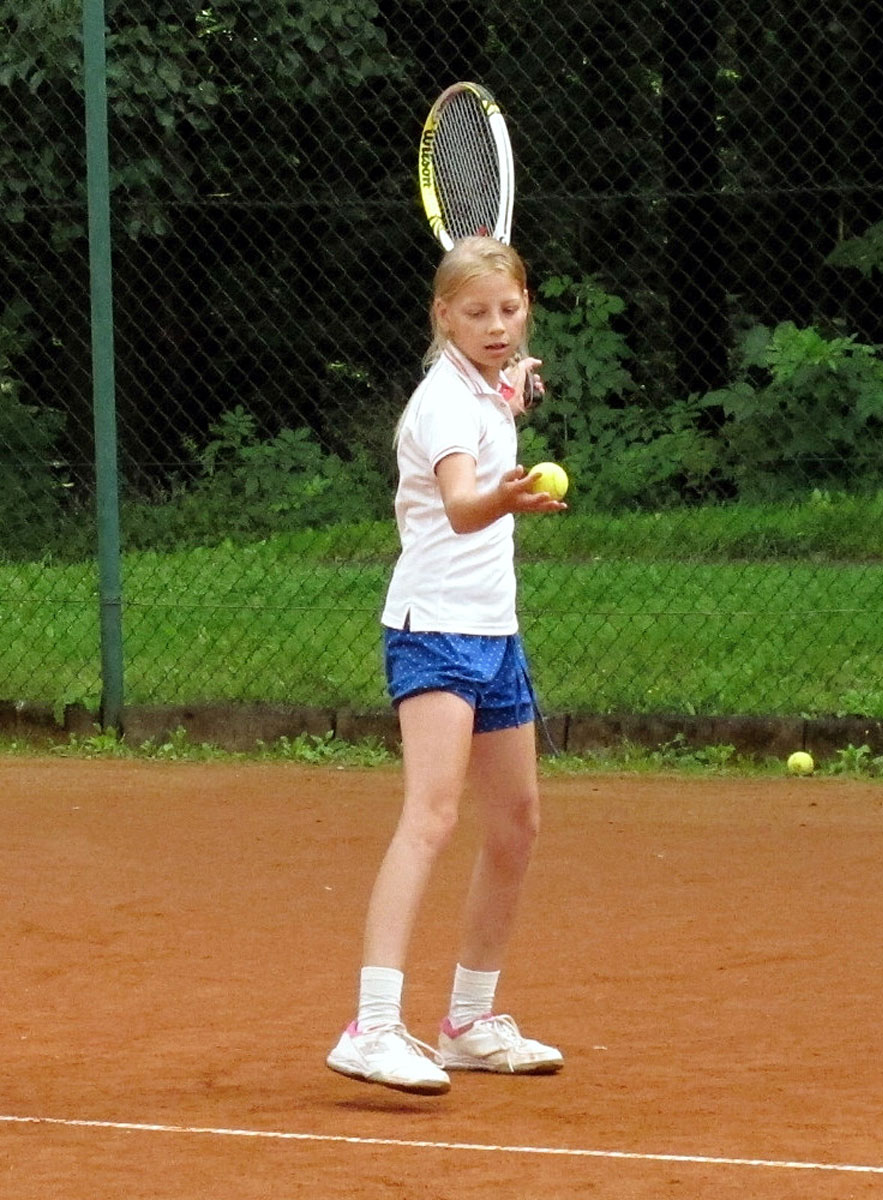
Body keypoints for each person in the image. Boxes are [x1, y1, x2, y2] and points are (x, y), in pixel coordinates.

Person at [326, 237, 566, 1095]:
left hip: (494, 634)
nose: (497, 326)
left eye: (509, 309)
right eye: (476, 313)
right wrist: (509, 494)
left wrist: (512, 393)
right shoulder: (441, 402)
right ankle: (371, 1028)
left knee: (517, 823)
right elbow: (464, 505)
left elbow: (495, 404)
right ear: (442, 316)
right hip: (433, 631)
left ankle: (467, 1021)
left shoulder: (485, 389)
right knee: (430, 817)